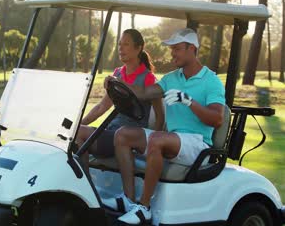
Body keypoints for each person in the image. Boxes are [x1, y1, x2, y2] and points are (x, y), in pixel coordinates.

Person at [102, 28, 225, 225]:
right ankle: (128, 199)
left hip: (198, 144)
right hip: (174, 140)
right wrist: (118, 83)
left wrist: (189, 101)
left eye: (177, 49)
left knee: (158, 139)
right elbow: (142, 93)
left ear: (192, 49)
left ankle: (144, 208)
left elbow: (217, 119)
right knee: (122, 135)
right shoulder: (171, 78)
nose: (172, 53)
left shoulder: (211, 81)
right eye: (172, 49)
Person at [75, 29, 165, 172]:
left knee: (80, 135)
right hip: (111, 130)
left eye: (126, 44)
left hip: (129, 137)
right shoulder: (117, 74)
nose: (121, 49)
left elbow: (160, 116)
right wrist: (79, 125)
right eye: (119, 44)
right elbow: (101, 107)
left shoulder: (148, 78)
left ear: (138, 48)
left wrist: (151, 145)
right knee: (76, 136)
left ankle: (84, 185)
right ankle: (86, 185)